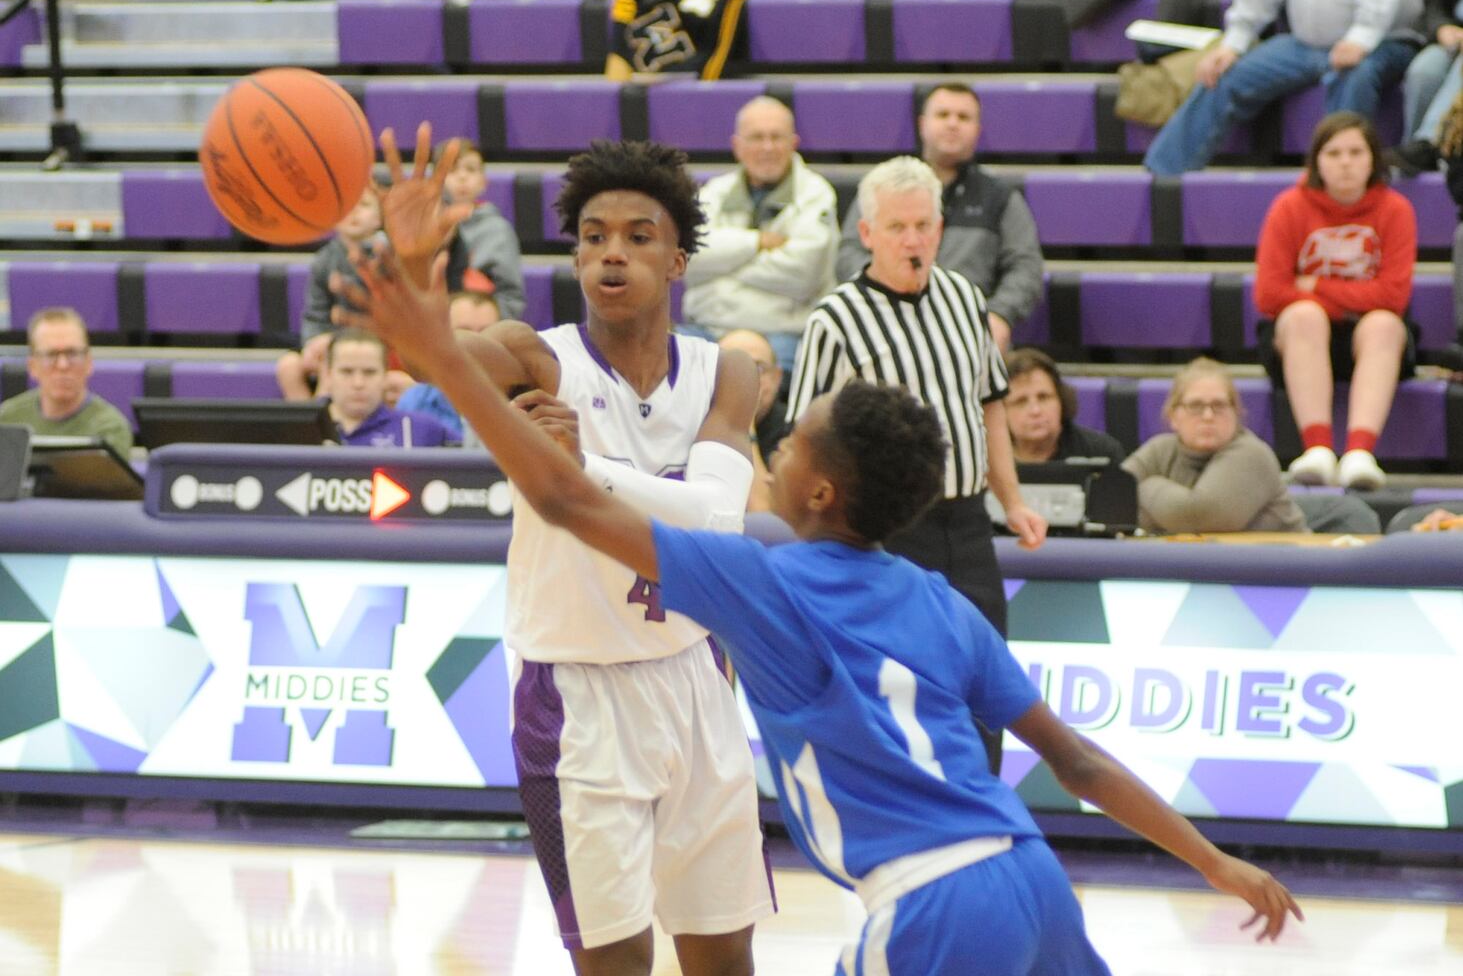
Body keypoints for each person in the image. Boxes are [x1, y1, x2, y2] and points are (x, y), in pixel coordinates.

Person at [340, 238, 1304, 972]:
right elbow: (1077, 761)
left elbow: (564, 501)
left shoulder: (763, 580)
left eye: (791, 440)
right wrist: (1212, 860)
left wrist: (445, 361)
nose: (776, 445)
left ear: (815, 493)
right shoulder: (938, 600)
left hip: (929, 902)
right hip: (1030, 873)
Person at [336, 128, 773, 974]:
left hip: (695, 680)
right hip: (574, 699)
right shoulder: (534, 357)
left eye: (638, 238)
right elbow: (432, 356)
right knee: (614, 964)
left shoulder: (728, 372)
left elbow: (718, 519)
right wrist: (420, 265)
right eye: (592, 238)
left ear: (678, 261)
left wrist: (586, 468)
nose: (611, 255)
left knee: (723, 958)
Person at [795, 156, 1047, 775]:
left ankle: (984, 810)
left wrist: (1011, 501)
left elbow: (990, 406)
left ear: (940, 227)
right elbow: (807, 438)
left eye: (924, 225)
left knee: (987, 680)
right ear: (868, 233)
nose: (914, 240)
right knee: (900, 686)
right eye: (899, 227)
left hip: (967, 525)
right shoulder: (836, 319)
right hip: (886, 532)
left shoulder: (965, 298)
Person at [1254, 112, 1417, 491]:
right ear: (1316, 161)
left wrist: (1315, 286)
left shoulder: (1395, 210)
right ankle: (1318, 450)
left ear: (1374, 159)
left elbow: (1393, 296)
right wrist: (1340, 301)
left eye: (1356, 152)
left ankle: (1361, 453)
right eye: (1334, 153)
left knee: (1383, 323)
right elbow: (1270, 294)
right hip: (1301, 342)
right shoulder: (1289, 207)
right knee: (1304, 315)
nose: (1345, 162)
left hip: (1373, 339)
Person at [1143, 0, 1424, 176]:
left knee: (1355, 75)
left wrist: (1361, 38)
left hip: (1384, 42)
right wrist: (1233, 42)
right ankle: (1161, 175)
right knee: (1224, 74)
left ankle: (1331, 189)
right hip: (1304, 44)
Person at [837, 83, 1044, 354]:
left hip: (969, 328)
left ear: (978, 131)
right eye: (943, 115)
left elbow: (1026, 267)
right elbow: (848, 253)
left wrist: (999, 315)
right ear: (922, 124)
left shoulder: (1000, 197)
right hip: (884, 321)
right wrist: (885, 290)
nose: (953, 124)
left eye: (963, 117)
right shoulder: (882, 188)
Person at [680, 97, 839, 373]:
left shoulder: (816, 194)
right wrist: (756, 242)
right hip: (707, 330)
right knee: (669, 367)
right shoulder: (713, 193)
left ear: (794, 143)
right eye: (756, 137)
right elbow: (689, 259)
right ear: (737, 146)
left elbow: (803, 273)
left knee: (766, 377)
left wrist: (722, 270)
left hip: (783, 335)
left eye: (776, 137)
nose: (767, 147)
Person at [1121, 357, 1307, 535]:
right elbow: (1109, 496)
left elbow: (1200, 517)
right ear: (1173, 416)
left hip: (1286, 564)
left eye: (1219, 405)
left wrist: (1147, 487)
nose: (1208, 416)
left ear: (1236, 413)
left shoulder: (1252, 454)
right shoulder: (1160, 450)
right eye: (1195, 405)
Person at [276, 189, 411, 403]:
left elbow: (398, 315)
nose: (354, 213)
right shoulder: (324, 260)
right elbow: (315, 313)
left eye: (364, 206)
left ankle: (328, 421)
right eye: (347, 206)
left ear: (379, 218)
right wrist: (314, 342)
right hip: (333, 340)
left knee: (340, 363)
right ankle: (307, 429)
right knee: (288, 366)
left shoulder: (390, 257)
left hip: (381, 342)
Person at [0, 308, 132, 458]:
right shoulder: (7, 420)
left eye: (72, 354)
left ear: (88, 363)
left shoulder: (110, 428)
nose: (62, 365)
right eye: (50, 355)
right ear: (32, 366)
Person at [438, 138, 526, 322]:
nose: (462, 177)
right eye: (452, 169)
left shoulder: (498, 230)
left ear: (483, 181)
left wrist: (483, 311)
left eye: (470, 169)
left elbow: (512, 299)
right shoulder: (424, 229)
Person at [395, 292, 502, 442]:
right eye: (464, 331)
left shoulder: (522, 403)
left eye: (486, 332)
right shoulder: (414, 401)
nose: (476, 342)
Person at [324, 329, 450, 448]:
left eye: (369, 372)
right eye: (347, 372)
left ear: (385, 375)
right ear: (329, 374)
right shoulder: (305, 426)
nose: (358, 383)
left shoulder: (418, 428)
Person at [1391, 0, 1463, 176]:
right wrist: (1442, 27)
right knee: (1424, 71)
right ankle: (1413, 151)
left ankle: (1430, 144)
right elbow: (1434, 4)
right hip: (1452, 39)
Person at [1004, 348, 1124, 463]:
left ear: (1061, 399)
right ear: (1001, 411)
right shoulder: (987, 459)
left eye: (1043, 397)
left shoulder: (1102, 453)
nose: (1035, 411)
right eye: (1021, 402)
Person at [718, 328, 789, 512]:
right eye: (731, 366)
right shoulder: (692, 417)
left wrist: (743, 421)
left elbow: (764, 512)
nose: (746, 378)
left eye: (758, 368)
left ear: (777, 378)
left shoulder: (794, 429)